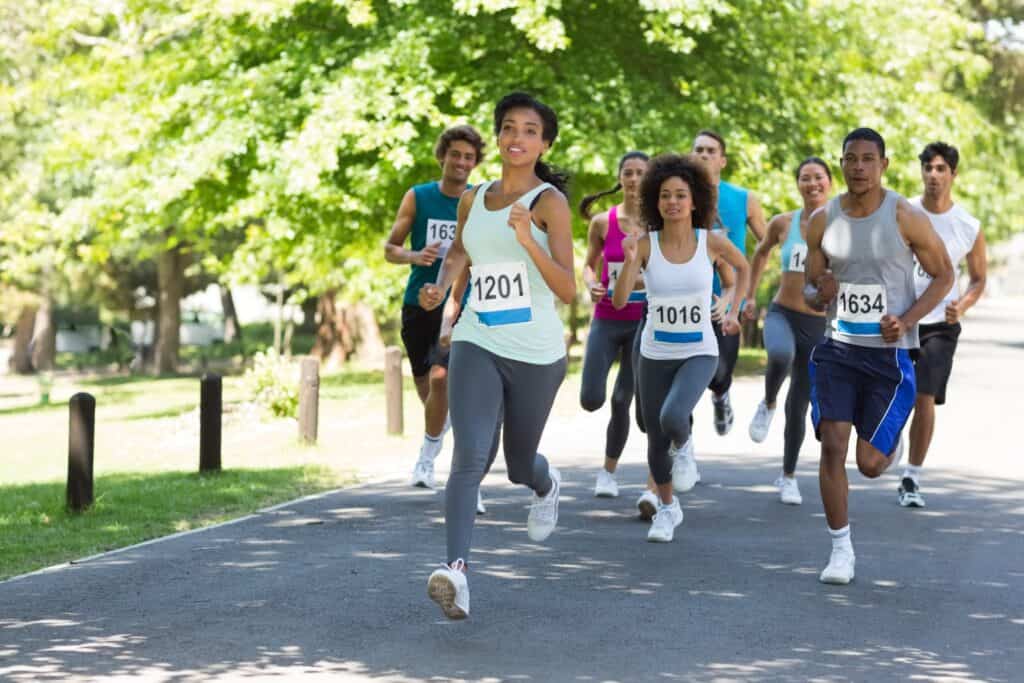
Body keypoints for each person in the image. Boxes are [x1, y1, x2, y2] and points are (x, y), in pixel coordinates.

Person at [420, 92, 575, 619]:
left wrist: (529, 241)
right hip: (477, 338)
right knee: (468, 458)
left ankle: (546, 482)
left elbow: (569, 288)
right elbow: (462, 248)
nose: (517, 138)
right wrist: (442, 286)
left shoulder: (549, 202)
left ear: (544, 143)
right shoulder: (474, 195)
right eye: (509, 127)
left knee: (516, 465)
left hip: (536, 351)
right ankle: (455, 573)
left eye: (530, 130)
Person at [804, 127, 953, 584]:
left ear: (883, 165)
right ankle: (840, 550)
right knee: (832, 444)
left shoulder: (905, 216)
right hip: (839, 349)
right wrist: (819, 291)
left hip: (889, 357)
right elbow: (813, 290)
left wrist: (907, 320)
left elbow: (945, 275)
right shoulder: (823, 220)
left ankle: (890, 445)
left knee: (869, 464)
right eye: (851, 159)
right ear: (842, 163)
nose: (859, 167)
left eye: (869, 159)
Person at [614, 153, 750, 543]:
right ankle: (668, 508)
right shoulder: (644, 244)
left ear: (695, 201)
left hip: (700, 350)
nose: (672, 202)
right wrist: (627, 261)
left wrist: (730, 302)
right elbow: (622, 301)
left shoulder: (711, 241)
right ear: (656, 202)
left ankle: (687, 448)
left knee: (674, 416)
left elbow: (741, 269)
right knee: (655, 439)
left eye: (680, 195)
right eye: (665, 196)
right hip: (654, 351)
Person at [384, 125, 483, 493]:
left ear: (475, 163)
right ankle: (435, 440)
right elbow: (389, 248)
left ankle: (431, 461)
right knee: (428, 387)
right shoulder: (418, 197)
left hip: (461, 302)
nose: (461, 162)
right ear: (443, 156)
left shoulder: (479, 199)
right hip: (418, 302)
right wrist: (415, 255)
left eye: (469, 157)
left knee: (444, 378)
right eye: (455, 154)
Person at [900, 142, 986, 508]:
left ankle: (911, 477)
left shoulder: (967, 226)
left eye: (940, 169)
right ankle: (893, 438)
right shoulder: (903, 212)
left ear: (953, 174)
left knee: (925, 397)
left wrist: (962, 305)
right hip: (901, 318)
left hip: (940, 325)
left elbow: (979, 278)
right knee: (896, 395)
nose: (933, 175)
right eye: (928, 168)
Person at [742, 157, 832, 505]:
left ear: (829, 182)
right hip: (783, 313)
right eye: (805, 178)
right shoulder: (783, 223)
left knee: (800, 404)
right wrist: (750, 295)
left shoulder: (840, 225)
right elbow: (761, 253)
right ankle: (767, 402)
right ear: (798, 184)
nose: (812, 184)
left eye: (818, 178)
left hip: (818, 324)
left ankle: (788, 475)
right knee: (780, 354)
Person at [579, 151, 650, 498]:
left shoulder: (657, 223)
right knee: (591, 398)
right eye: (628, 173)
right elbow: (588, 265)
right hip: (606, 319)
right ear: (620, 178)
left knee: (623, 400)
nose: (634, 179)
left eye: (640, 173)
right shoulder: (602, 223)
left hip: (641, 322)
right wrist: (590, 282)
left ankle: (608, 473)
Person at [691, 130, 767, 440]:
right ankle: (684, 448)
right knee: (686, 376)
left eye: (711, 150)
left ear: (722, 160)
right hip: (686, 298)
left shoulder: (744, 198)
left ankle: (721, 396)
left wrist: (749, 294)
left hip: (728, 298)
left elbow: (766, 243)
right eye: (698, 150)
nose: (704, 155)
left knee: (720, 373)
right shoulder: (677, 196)